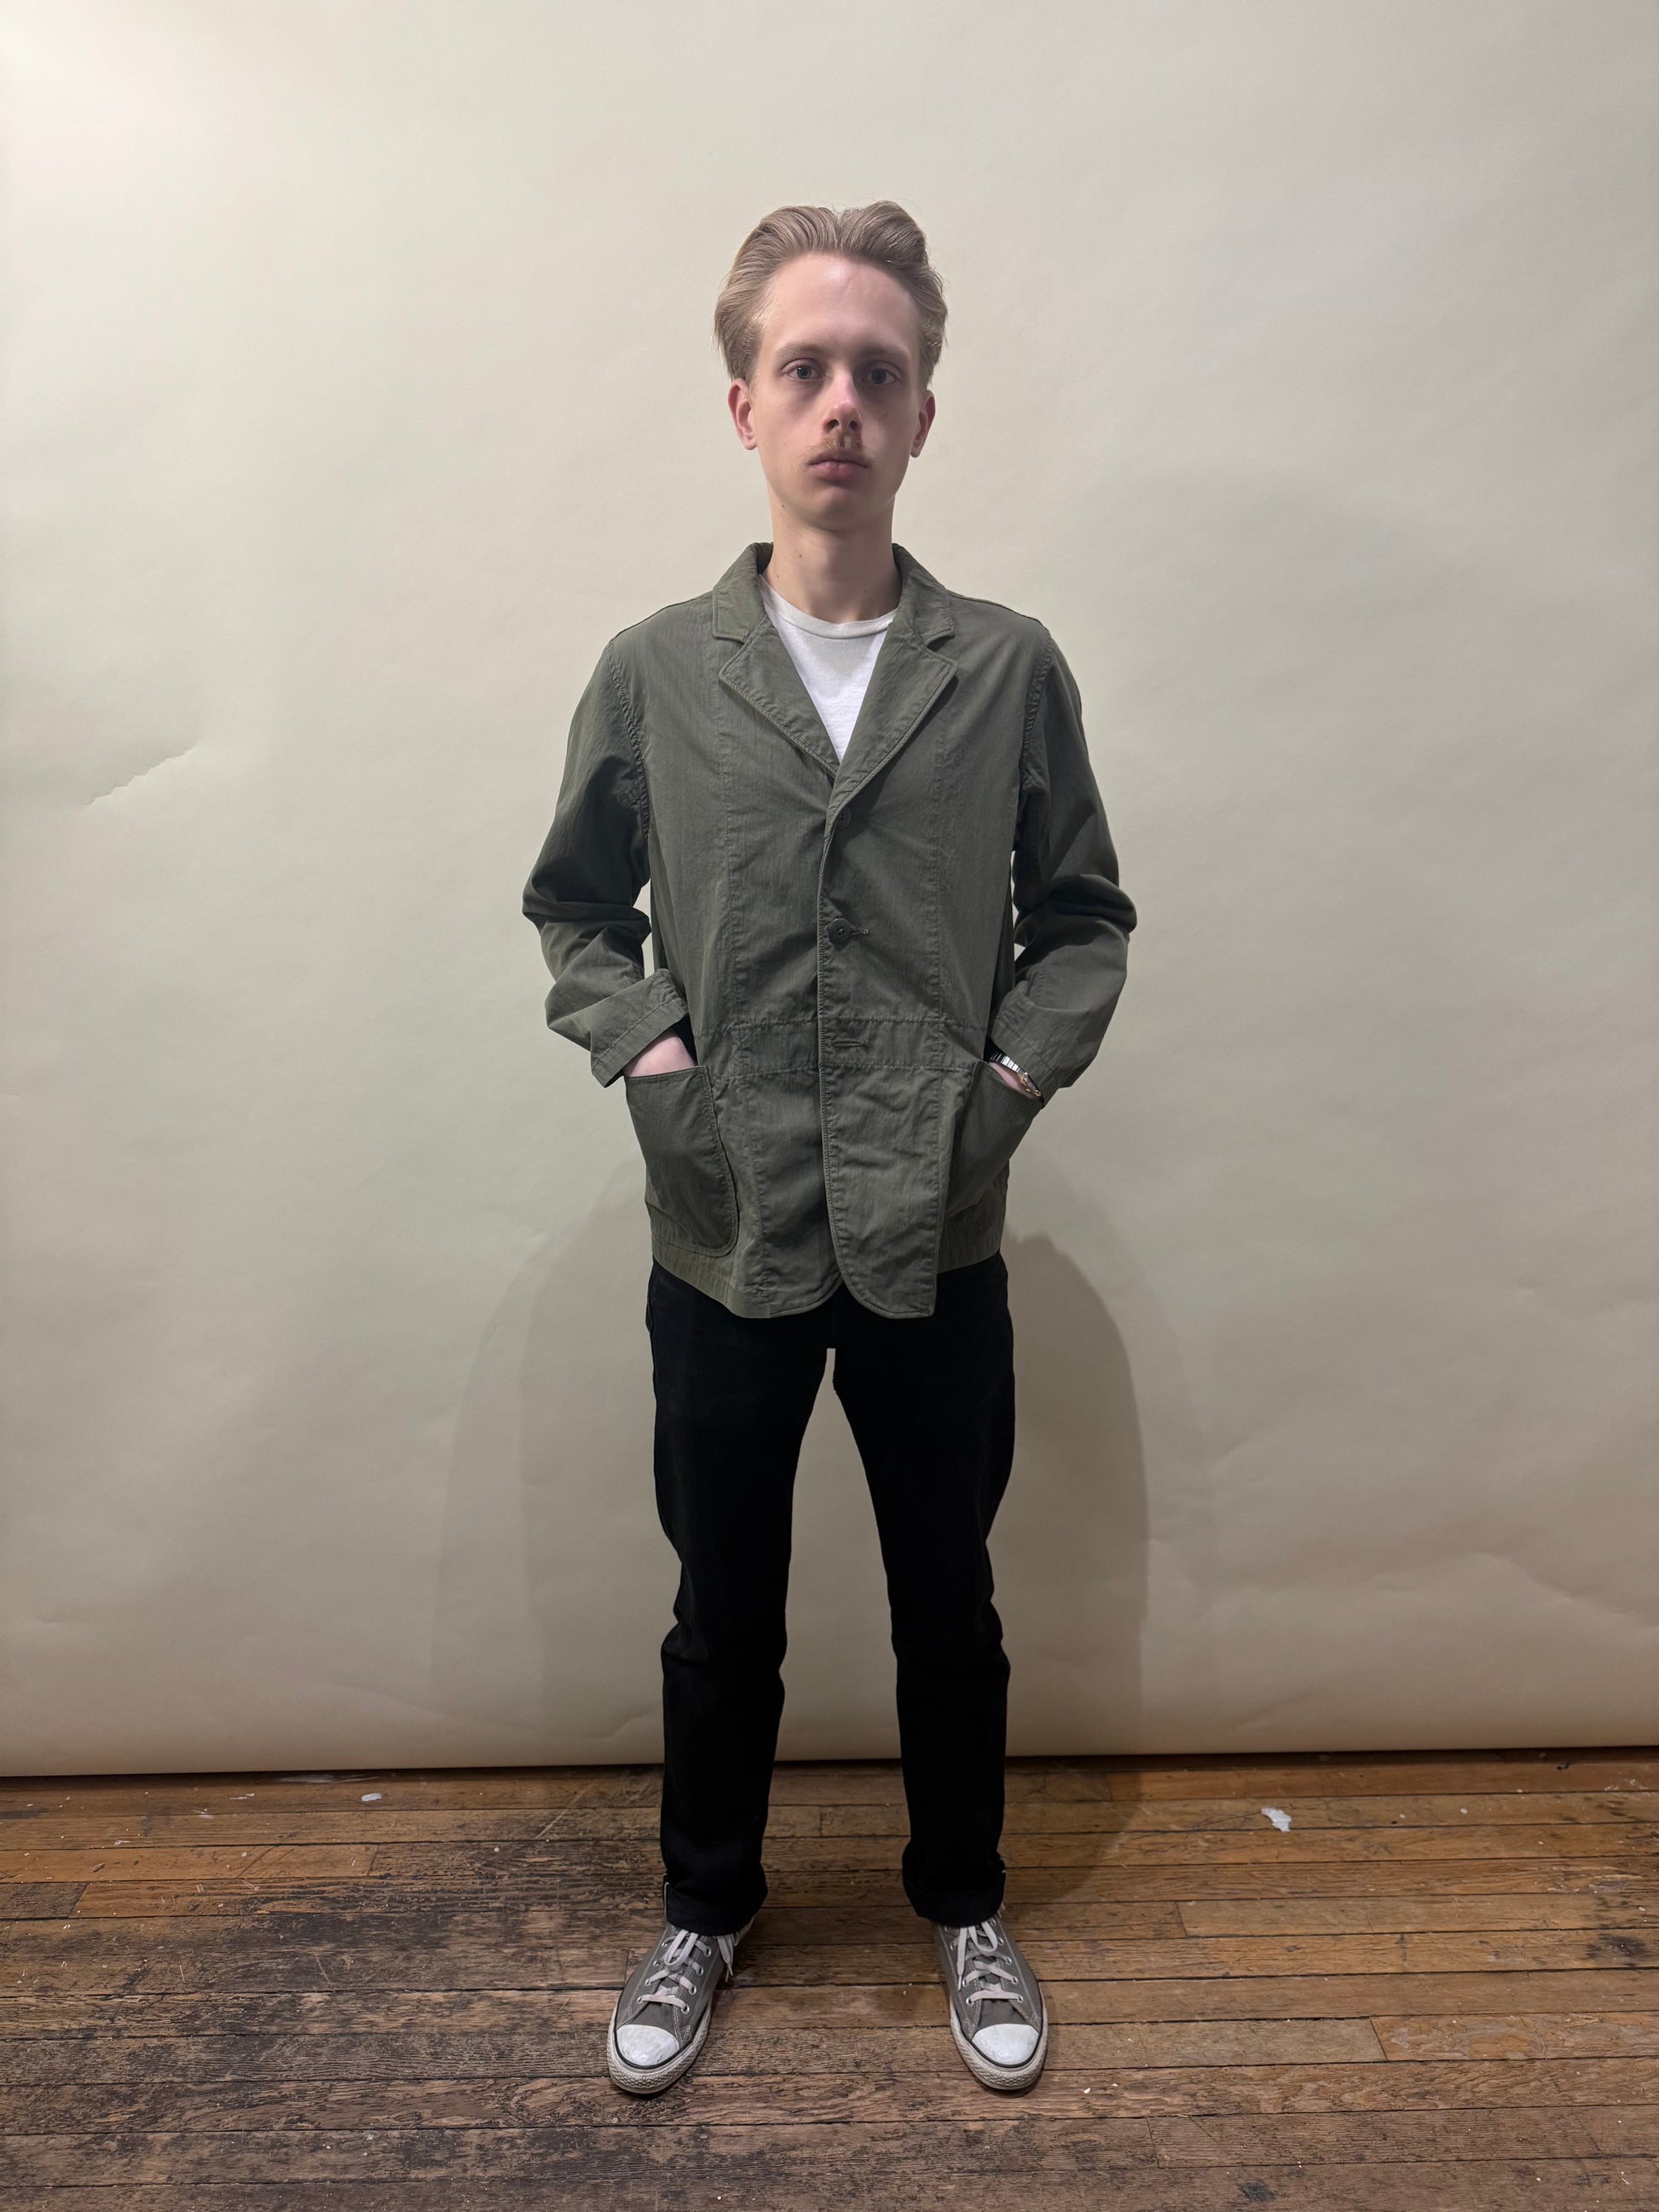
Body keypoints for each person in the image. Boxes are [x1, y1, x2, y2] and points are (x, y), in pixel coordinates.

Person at [522, 199, 1136, 2098]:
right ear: (745, 405)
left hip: (934, 1228)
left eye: (879, 369)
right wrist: (656, 1056)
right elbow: (575, 912)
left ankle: (964, 1901)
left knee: (948, 1599)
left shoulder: (1003, 667)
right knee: (724, 1607)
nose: (841, 403)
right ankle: (704, 1908)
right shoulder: (656, 670)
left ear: (924, 408)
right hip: (724, 1225)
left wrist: (1003, 1088)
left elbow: (1081, 919)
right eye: (804, 368)